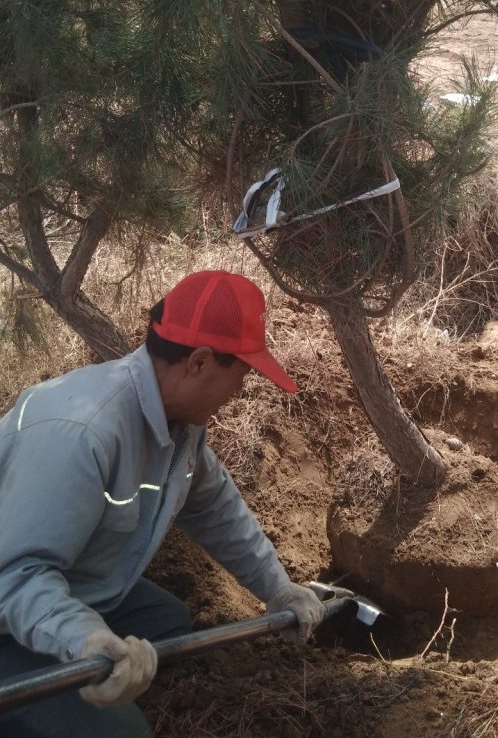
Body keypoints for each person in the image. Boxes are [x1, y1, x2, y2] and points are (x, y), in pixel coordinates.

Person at [0, 269, 325, 737]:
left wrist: (278, 587)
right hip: (10, 612)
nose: (240, 392)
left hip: (71, 584)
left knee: (167, 623)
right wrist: (84, 639)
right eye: (242, 375)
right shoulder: (83, 433)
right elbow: (16, 575)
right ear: (199, 362)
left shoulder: (178, 426)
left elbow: (215, 508)